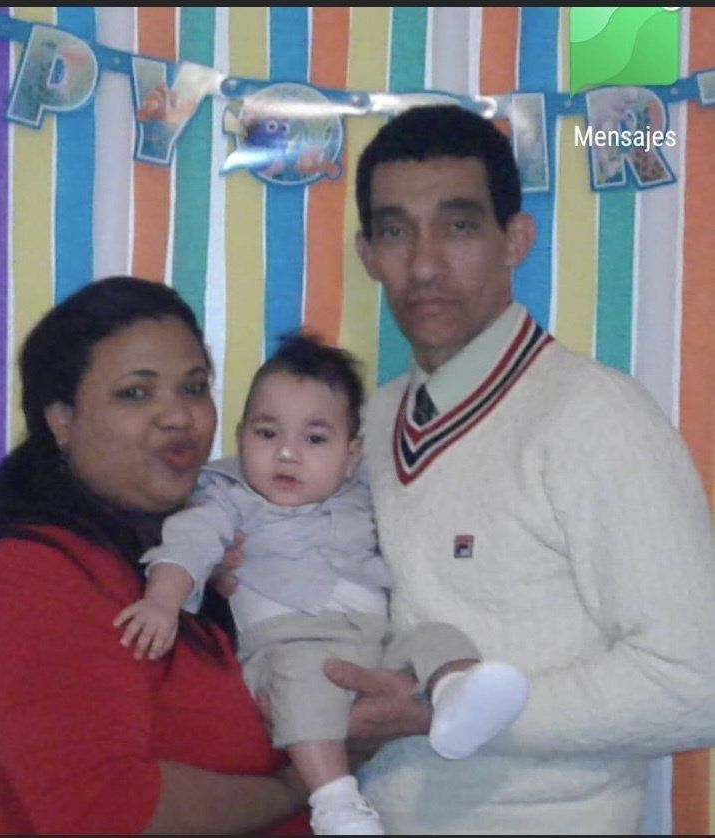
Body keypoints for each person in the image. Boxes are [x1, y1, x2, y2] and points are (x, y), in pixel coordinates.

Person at [316, 103, 715, 834]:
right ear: (367, 253)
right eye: (396, 231)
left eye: (459, 226)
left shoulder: (597, 417)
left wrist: (443, 712)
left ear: (516, 240)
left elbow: (696, 684)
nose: (425, 264)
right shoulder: (363, 425)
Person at [114, 333, 529, 835]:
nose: (287, 454)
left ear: (350, 455)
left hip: (375, 642)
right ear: (242, 436)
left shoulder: (358, 491)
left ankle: (457, 694)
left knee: (436, 637)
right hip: (285, 645)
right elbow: (188, 544)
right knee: (302, 684)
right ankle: (336, 802)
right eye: (267, 433)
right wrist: (162, 600)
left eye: (315, 439)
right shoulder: (227, 496)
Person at [0, 276, 312, 835]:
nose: (178, 416)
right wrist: (297, 787)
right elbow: (106, 811)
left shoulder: (191, 550)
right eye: (136, 393)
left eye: (194, 388)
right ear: (61, 420)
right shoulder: (33, 576)